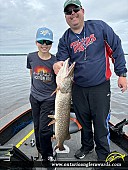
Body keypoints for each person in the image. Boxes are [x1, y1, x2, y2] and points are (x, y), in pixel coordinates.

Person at [53, 0, 127, 161]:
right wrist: (57, 65)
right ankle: (87, 146)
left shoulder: (99, 27)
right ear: (65, 16)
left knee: (100, 122)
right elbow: (61, 60)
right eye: (68, 11)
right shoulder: (65, 38)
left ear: (83, 11)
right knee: (83, 121)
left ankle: (103, 153)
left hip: (100, 86)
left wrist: (122, 74)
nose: (72, 13)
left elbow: (117, 47)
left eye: (75, 9)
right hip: (78, 87)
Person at [27, 27, 57, 167]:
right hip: (34, 97)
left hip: (48, 99)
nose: (44, 45)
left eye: (48, 42)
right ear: (36, 42)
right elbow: (32, 74)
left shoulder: (56, 61)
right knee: (37, 125)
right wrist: (34, 90)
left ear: (51, 43)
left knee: (45, 129)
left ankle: (48, 155)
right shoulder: (31, 57)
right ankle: (40, 148)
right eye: (41, 41)